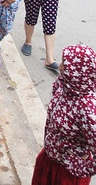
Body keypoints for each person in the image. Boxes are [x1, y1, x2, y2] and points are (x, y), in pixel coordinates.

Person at [31, 43, 96, 184]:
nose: (60, 67)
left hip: (67, 175)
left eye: (65, 66)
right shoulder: (63, 84)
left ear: (78, 73)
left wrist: (78, 166)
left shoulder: (88, 110)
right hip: (49, 159)